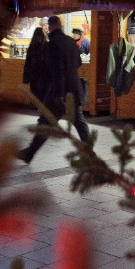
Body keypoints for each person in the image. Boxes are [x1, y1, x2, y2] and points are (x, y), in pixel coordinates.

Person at [17, 16, 90, 163]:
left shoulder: (52, 45)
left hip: (58, 92)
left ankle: (29, 153)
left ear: (50, 26)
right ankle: (89, 154)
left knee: (45, 123)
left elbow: (56, 71)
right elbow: (78, 63)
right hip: (74, 91)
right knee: (80, 125)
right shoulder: (70, 41)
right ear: (60, 26)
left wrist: (58, 94)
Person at [21, 27, 47, 100]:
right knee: (42, 90)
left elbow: (28, 62)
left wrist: (26, 75)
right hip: (43, 72)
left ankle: (35, 104)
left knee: (34, 89)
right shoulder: (46, 45)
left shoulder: (32, 46)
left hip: (34, 72)